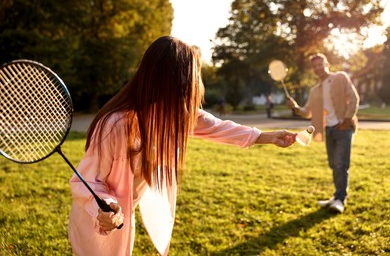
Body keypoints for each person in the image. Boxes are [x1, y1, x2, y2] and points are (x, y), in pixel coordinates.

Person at [68, 36, 297, 256]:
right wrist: (105, 206)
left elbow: (219, 127)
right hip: (94, 222)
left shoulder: (177, 115)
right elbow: (85, 181)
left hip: (123, 216)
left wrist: (268, 137)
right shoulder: (116, 125)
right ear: (171, 80)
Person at [287, 53, 359, 213]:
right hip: (329, 130)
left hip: (343, 128)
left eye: (321, 64)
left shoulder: (340, 77)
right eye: (315, 66)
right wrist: (295, 107)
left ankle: (340, 199)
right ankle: (336, 196)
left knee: (341, 165)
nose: (318, 67)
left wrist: (347, 120)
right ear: (313, 69)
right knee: (334, 165)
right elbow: (307, 112)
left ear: (327, 64)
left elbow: (354, 98)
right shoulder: (315, 91)